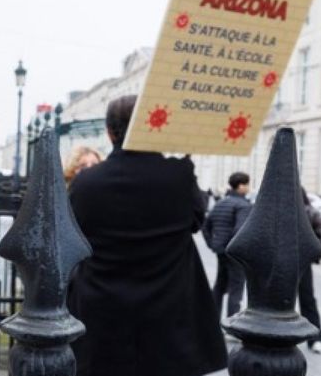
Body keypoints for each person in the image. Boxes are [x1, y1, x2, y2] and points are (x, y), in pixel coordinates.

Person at [67, 95, 227, 376]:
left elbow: (74, 236)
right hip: (169, 316)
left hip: (102, 313)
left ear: (109, 132)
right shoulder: (179, 175)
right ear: (153, 126)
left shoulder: (85, 183)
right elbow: (195, 221)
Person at [202, 172, 251, 319]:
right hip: (235, 254)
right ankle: (233, 322)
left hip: (221, 251)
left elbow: (205, 226)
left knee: (220, 285)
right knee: (236, 289)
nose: (248, 188)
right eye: (247, 184)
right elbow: (240, 230)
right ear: (241, 186)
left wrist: (213, 244)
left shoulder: (221, 202)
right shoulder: (243, 205)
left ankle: (212, 319)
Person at [300, 188, 321, 354]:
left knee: (307, 300)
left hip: (301, 263)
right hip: (291, 264)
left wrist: (308, 256)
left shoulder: (310, 212)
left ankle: (316, 338)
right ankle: (315, 339)